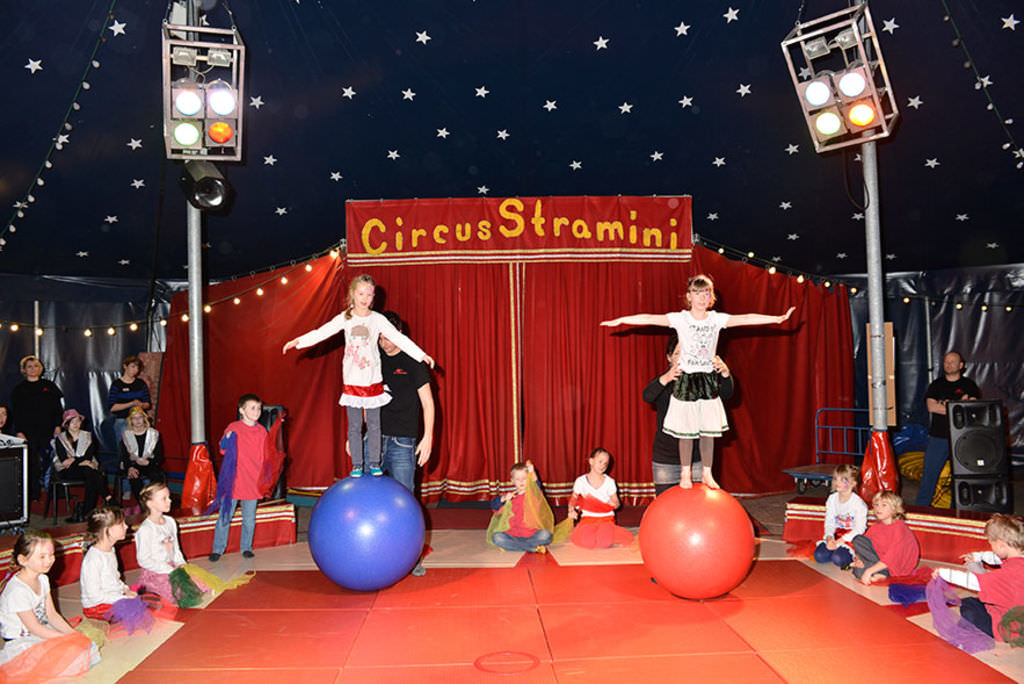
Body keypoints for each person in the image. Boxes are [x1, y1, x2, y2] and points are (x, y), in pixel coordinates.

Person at [602, 273, 795, 489]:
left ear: (711, 297)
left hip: (707, 379)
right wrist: (622, 320)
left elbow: (746, 318)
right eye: (697, 293)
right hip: (687, 378)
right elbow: (649, 318)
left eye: (706, 293)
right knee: (686, 430)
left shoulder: (716, 319)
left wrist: (776, 318)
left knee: (707, 431)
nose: (702, 298)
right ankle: (685, 473)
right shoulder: (681, 318)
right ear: (689, 296)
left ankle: (706, 473)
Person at [283, 274, 435, 478]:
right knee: (355, 426)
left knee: (374, 424)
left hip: (372, 381)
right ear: (352, 294)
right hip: (353, 381)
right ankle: (357, 464)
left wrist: (421, 354)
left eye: (369, 294)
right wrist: (299, 341)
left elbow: (399, 338)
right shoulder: (346, 318)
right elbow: (323, 331)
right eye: (361, 293)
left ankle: (374, 462)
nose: (365, 298)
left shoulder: (377, 320)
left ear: (374, 298)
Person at [0, 531, 99, 678]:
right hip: (22, 641)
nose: (49, 560)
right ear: (23, 560)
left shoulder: (43, 579)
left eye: (51, 555)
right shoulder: (17, 591)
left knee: (82, 647)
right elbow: (34, 628)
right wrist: (63, 638)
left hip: (41, 629)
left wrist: (72, 634)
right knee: (65, 657)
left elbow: (52, 615)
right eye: (42, 557)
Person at [643, 337, 734, 495]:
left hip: (697, 459)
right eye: (678, 353)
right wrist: (667, 377)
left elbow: (727, 393)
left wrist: (725, 373)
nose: (683, 357)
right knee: (666, 507)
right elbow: (647, 396)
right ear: (669, 357)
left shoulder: (702, 379)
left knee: (698, 507)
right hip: (666, 458)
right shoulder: (666, 380)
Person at [935, 513, 1024, 640]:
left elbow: (973, 581)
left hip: (1009, 629)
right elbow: (997, 557)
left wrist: (943, 572)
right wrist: (977, 556)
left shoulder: (1007, 575)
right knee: (975, 601)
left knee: (968, 605)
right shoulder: (1018, 560)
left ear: (1000, 544)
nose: (992, 548)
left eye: (991, 544)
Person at [915, 351, 981, 507]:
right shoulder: (936, 385)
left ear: (961, 365)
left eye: (952, 362)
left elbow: (970, 408)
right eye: (946, 362)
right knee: (929, 474)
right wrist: (958, 405)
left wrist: (946, 405)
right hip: (939, 437)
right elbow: (931, 407)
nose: (948, 364)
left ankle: (956, 509)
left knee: (960, 476)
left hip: (962, 438)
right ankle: (921, 509)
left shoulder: (969, 385)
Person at [209, 394, 267, 562]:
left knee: (249, 519)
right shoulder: (234, 427)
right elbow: (223, 449)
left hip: (252, 481)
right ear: (242, 410)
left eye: (259, 408)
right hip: (233, 481)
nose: (257, 411)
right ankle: (218, 549)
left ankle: (246, 547)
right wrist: (227, 439)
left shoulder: (261, 431)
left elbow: (266, 456)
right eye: (253, 408)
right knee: (225, 517)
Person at [9, 355, 64, 500]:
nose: (33, 369)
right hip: (29, 432)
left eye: (36, 366)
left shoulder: (49, 386)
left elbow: (58, 409)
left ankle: (54, 492)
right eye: (29, 367)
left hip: (49, 430)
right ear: (24, 370)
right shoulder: (19, 389)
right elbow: (16, 412)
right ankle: (33, 494)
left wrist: (58, 426)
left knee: (53, 462)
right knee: (31, 463)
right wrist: (19, 431)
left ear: (40, 368)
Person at [566, 447, 634, 548]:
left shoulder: (610, 482)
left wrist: (615, 504)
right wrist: (571, 510)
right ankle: (595, 532)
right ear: (591, 461)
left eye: (605, 464)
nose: (602, 466)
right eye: (600, 461)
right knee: (587, 543)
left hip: (606, 518)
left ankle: (605, 532)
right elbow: (573, 499)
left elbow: (616, 502)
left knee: (604, 544)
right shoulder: (581, 481)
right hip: (588, 518)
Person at [51, 408, 110, 522]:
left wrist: (74, 459)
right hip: (66, 471)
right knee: (92, 472)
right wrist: (81, 460)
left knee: (90, 473)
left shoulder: (88, 436)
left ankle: (84, 512)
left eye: (78, 421)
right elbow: (64, 461)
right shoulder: (60, 439)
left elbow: (88, 456)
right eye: (73, 422)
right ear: (67, 424)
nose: (76, 424)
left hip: (85, 470)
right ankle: (106, 498)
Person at [851, 491, 920, 585]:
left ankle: (884, 572)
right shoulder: (876, 526)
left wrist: (869, 571)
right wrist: (859, 559)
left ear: (894, 509)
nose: (879, 508)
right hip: (880, 559)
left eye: (884, 505)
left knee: (862, 572)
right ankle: (879, 572)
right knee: (858, 539)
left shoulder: (899, 528)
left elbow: (892, 557)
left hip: (896, 565)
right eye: (876, 505)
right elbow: (864, 546)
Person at [80, 506, 136, 619]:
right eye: (121, 524)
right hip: (97, 607)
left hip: (113, 596)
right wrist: (122, 597)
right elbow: (94, 596)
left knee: (142, 596)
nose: (126, 526)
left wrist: (125, 589)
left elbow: (114, 578)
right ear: (108, 530)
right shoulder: (94, 558)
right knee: (136, 610)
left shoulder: (111, 550)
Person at [135, 482, 187, 604]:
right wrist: (169, 570)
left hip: (172, 567)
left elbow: (176, 549)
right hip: (157, 571)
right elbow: (144, 560)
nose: (169, 501)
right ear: (150, 504)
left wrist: (180, 563)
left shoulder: (170, 522)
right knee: (169, 594)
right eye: (164, 498)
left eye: (168, 497)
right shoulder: (146, 529)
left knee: (192, 583)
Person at [487, 462, 554, 553]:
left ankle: (512, 546)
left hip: (532, 534)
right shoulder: (510, 496)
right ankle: (531, 547)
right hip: (512, 534)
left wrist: (533, 473)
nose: (521, 481)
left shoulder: (533, 495)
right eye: (518, 479)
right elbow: (494, 507)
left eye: (524, 478)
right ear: (512, 480)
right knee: (497, 537)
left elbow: (536, 486)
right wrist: (503, 499)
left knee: (546, 534)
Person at [813, 464, 868, 567]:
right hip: (836, 534)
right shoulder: (832, 499)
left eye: (843, 480)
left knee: (838, 559)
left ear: (853, 484)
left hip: (850, 538)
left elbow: (859, 529)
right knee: (819, 556)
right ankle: (834, 549)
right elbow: (829, 521)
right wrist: (829, 538)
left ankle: (847, 554)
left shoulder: (858, 504)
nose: (836, 482)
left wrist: (841, 541)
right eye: (835, 478)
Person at [119, 405, 166, 506]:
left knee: (156, 476)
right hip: (133, 464)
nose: (137, 420)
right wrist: (130, 467)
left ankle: (156, 503)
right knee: (134, 477)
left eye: (140, 417)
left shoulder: (154, 434)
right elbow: (123, 456)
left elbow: (159, 456)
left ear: (145, 418)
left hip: (150, 463)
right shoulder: (126, 435)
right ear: (130, 420)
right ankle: (143, 505)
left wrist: (149, 462)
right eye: (134, 418)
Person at [107, 355, 151, 442]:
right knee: (124, 450)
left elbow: (148, 404)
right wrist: (131, 403)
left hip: (140, 421)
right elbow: (112, 407)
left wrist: (142, 404)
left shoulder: (141, 383)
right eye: (132, 367)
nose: (135, 370)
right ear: (125, 366)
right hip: (123, 421)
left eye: (137, 368)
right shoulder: (117, 384)